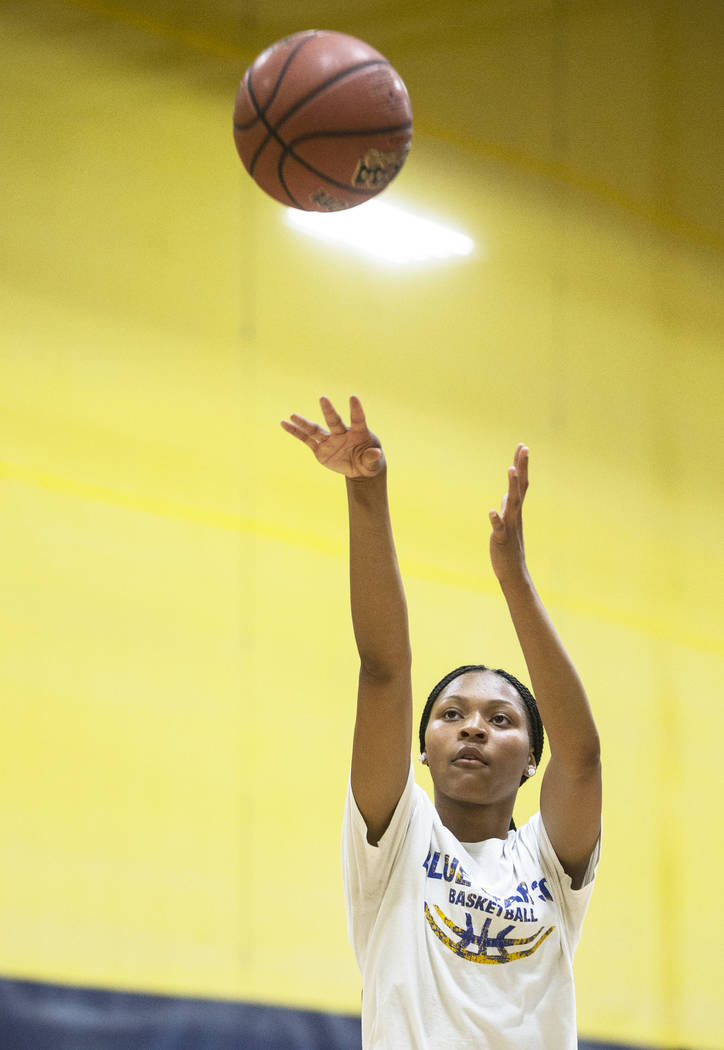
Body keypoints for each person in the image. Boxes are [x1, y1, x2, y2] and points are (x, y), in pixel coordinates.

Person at [281, 395, 602, 1050]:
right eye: (451, 714)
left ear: (531, 758)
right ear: (421, 750)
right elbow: (383, 671)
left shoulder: (547, 861)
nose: (474, 727)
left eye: (501, 718)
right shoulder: (395, 841)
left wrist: (515, 578)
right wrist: (368, 493)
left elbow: (585, 758)